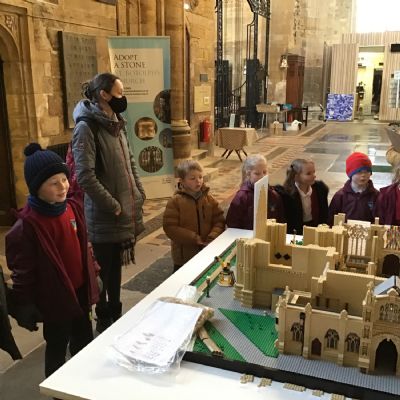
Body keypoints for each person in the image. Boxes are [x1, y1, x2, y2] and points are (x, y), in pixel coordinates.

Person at [6, 143, 99, 377]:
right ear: (37, 187)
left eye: (64, 180)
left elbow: (84, 246)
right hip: (55, 300)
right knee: (57, 346)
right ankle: (56, 386)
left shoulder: (71, 208)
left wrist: (94, 271)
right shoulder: (28, 225)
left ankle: (81, 380)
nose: (63, 186)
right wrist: (24, 303)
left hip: (79, 292)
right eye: (53, 183)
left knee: (84, 340)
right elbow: (23, 271)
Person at [71, 73, 146, 333]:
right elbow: (85, 176)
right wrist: (113, 205)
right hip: (105, 215)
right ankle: (103, 318)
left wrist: (138, 191)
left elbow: (129, 161)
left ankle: (116, 312)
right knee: (102, 273)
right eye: (119, 93)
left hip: (123, 210)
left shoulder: (116, 122)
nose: (123, 98)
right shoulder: (86, 127)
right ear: (104, 94)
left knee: (115, 272)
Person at [163, 160, 225, 271]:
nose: (198, 181)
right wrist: (194, 238)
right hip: (184, 256)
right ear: (182, 181)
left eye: (200, 177)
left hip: (207, 250)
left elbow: (219, 220)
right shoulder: (175, 202)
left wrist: (213, 236)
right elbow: (170, 227)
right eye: (192, 178)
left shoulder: (209, 199)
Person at [226, 154, 284, 229]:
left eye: (265, 172)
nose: (262, 176)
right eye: (257, 173)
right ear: (248, 174)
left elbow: (280, 220)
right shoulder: (241, 197)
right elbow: (232, 224)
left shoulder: (274, 195)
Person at [276, 158, 329, 234]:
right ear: (296, 177)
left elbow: (324, 214)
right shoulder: (288, 195)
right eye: (308, 173)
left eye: (314, 172)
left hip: (315, 227)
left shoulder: (320, 190)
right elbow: (288, 219)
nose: (314, 176)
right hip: (297, 230)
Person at [328, 152, 378, 225]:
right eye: (359, 172)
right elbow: (331, 219)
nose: (363, 175)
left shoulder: (376, 195)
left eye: (367, 171)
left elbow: (380, 218)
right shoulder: (340, 196)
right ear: (351, 174)